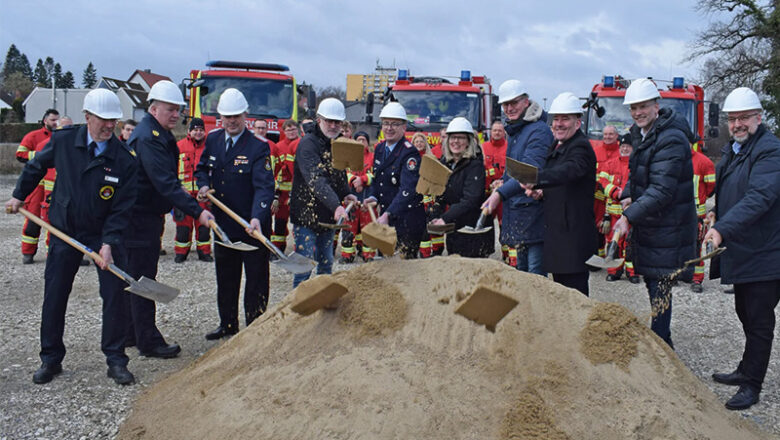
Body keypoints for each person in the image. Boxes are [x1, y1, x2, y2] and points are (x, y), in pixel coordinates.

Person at [5, 89, 138, 385]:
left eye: (113, 121)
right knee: (55, 294)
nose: (109, 126)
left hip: (103, 234)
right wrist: (18, 195)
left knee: (115, 297)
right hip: (65, 230)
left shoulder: (125, 159)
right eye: (103, 119)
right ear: (87, 116)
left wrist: (108, 242)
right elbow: (36, 166)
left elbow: (122, 207)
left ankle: (116, 359)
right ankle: (50, 358)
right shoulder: (64, 141)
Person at [125, 80, 214, 358]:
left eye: (178, 110)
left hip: (144, 214)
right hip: (139, 218)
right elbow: (164, 182)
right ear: (154, 109)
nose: (176, 115)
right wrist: (198, 211)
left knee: (136, 275)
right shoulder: (149, 138)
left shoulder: (155, 132)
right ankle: (148, 341)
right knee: (143, 278)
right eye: (170, 109)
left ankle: (131, 332)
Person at [704, 87, 780, 411]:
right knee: (744, 312)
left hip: (767, 250)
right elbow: (731, 192)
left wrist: (722, 229)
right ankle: (745, 369)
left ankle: (752, 384)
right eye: (732, 119)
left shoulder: (770, 150)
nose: (737, 124)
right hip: (745, 248)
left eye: (744, 117)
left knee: (759, 320)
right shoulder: (735, 150)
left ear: (758, 117)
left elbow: (758, 198)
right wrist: (714, 213)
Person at [612, 78, 697, 348]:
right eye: (633, 108)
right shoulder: (642, 134)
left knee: (660, 286)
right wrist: (628, 194)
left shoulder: (671, 139)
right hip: (653, 224)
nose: (638, 112)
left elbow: (661, 190)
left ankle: (662, 349)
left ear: (656, 106)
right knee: (654, 284)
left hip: (669, 226)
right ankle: (662, 346)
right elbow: (638, 174)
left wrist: (628, 217)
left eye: (643, 106)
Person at [195, 88, 275, 340]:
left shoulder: (258, 147)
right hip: (223, 225)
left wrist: (257, 217)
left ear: (245, 116)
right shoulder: (213, 140)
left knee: (256, 280)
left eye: (236, 116)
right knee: (226, 277)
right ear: (220, 117)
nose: (231, 121)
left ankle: (255, 328)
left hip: (252, 225)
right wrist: (203, 185)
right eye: (227, 116)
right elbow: (201, 169)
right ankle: (228, 324)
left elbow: (264, 187)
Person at [520, 93, 598, 296]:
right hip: (559, 235)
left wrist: (536, 178)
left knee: (575, 295)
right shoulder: (558, 144)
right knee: (562, 293)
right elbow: (562, 182)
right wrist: (542, 192)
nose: (559, 124)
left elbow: (568, 171)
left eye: (565, 119)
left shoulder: (580, 147)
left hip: (573, 237)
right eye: (556, 119)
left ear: (577, 122)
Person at [483, 80, 553, 274]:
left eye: (514, 103)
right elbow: (515, 170)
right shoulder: (518, 130)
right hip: (521, 211)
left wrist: (500, 194)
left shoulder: (538, 131)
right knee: (522, 271)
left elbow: (529, 171)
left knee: (534, 274)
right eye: (506, 104)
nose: (509, 108)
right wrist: (504, 181)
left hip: (534, 213)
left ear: (526, 102)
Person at [289, 98, 356, 287]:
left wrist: (346, 193)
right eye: (329, 121)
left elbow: (339, 173)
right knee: (303, 268)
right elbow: (316, 179)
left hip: (327, 216)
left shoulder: (337, 143)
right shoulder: (308, 144)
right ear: (319, 120)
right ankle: (298, 304)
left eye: (337, 122)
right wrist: (336, 206)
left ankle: (323, 302)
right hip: (306, 215)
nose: (333, 126)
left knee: (326, 266)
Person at [365, 102, 426, 259]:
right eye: (386, 123)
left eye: (394, 124)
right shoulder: (379, 149)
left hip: (406, 221)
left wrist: (388, 214)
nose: (389, 128)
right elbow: (378, 180)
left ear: (404, 127)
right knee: (385, 264)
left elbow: (408, 189)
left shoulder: (409, 153)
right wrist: (373, 196)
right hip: (386, 220)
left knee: (404, 268)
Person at [429, 117, 494, 257]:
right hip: (456, 228)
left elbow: (470, 200)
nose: (456, 141)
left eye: (461, 138)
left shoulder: (475, 165)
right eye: (452, 137)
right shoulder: (446, 163)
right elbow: (441, 194)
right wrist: (435, 215)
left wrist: (445, 218)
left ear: (468, 141)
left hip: (474, 231)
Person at [16, 108, 59, 264]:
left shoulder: (61, 138)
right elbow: (20, 155)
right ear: (45, 120)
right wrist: (40, 155)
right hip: (36, 184)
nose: (56, 123)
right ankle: (28, 252)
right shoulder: (33, 136)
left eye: (57, 120)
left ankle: (52, 255)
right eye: (53, 120)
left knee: (54, 220)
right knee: (33, 217)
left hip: (52, 183)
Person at [599, 134, 639, 283]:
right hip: (613, 214)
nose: (625, 149)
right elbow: (602, 181)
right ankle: (614, 271)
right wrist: (616, 192)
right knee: (613, 242)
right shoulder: (610, 164)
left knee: (630, 243)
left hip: (632, 214)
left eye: (628, 146)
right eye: (622, 146)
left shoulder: (637, 166)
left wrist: (631, 197)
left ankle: (632, 272)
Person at [174, 118, 212, 263]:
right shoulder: (179, 146)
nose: (198, 132)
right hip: (183, 194)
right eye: (195, 130)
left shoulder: (209, 147)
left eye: (201, 130)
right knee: (183, 225)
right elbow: (171, 168)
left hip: (203, 195)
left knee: (204, 225)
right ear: (189, 131)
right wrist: (177, 186)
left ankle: (204, 252)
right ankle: (181, 253)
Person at [270, 120, 301, 253]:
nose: (291, 132)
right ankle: (278, 249)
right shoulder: (278, 147)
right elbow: (275, 171)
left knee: (299, 223)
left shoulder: (302, 144)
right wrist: (275, 195)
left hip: (298, 192)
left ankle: (300, 250)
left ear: (298, 130)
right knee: (280, 222)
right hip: (282, 193)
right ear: (284, 132)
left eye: (293, 129)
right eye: (288, 130)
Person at [345, 131, 376, 262]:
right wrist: (354, 180)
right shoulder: (348, 157)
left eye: (364, 140)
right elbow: (345, 174)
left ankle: (368, 256)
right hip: (351, 198)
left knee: (368, 228)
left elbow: (375, 175)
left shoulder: (373, 157)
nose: (361, 142)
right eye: (358, 140)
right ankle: (347, 256)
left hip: (367, 197)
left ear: (368, 143)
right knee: (348, 228)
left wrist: (362, 180)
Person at [593, 125, 621, 261]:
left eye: (610, 134)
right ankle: (597, 258)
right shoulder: (596, 152)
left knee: (613, 231)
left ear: (616, 136)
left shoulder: (621, 152)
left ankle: (612, 259)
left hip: (614, 199)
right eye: (605, 134)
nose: (607, 137)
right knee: (596, 228)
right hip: (597, 199)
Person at [690, 143, 716, 292]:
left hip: (695, 215)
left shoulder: (704, 162)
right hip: (676, 214)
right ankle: (678, 274)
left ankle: (696, 279)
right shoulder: (673, 160)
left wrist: (701, 198)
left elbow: (711, 188)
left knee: (696, 247)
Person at [482, 120, 509, 262]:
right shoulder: (484, 147)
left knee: (504, 224)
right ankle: (485, 252)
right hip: (487, 194)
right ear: (490, 132)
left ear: (504, 132)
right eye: (495, 130)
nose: (497, 133)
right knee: (486, 224)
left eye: (500, 130)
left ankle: (507, 255)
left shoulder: (509, 147)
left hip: (505, 194)